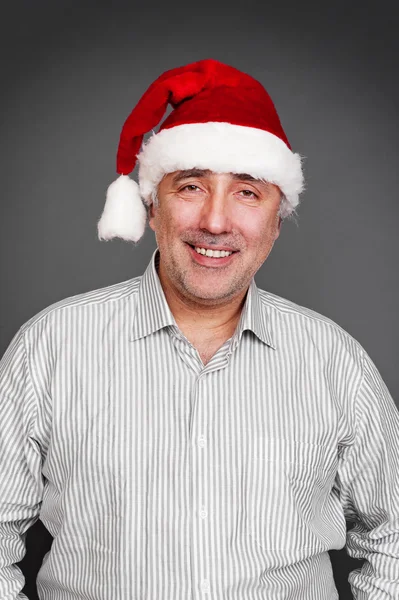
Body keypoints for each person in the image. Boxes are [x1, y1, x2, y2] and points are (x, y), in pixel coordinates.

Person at [0, 58, 398, 600]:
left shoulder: (335, 361)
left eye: (248, 192)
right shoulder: (49, 348)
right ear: (151, 206)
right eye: (190, 186)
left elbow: (394, 534)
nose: (215, 221)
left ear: (277, 221)